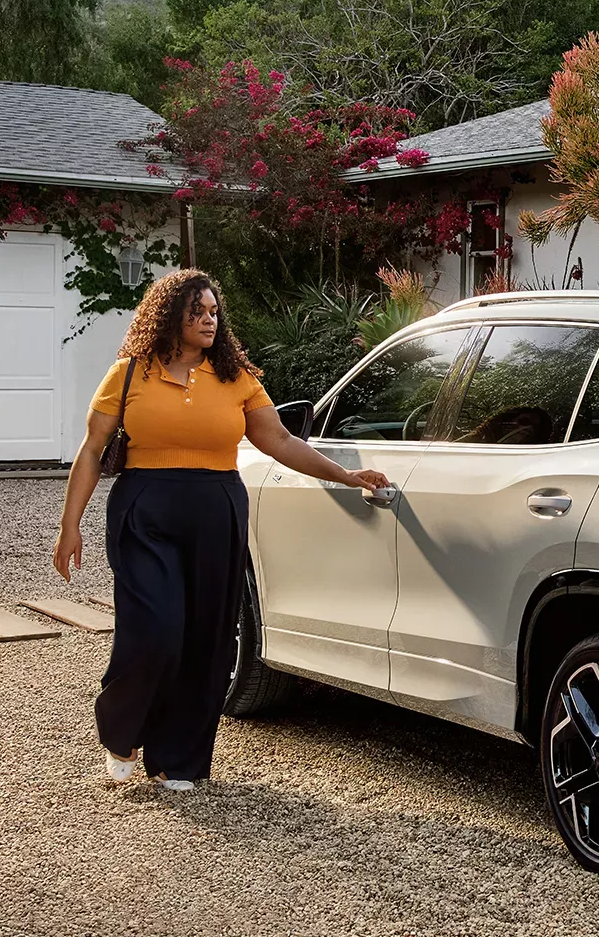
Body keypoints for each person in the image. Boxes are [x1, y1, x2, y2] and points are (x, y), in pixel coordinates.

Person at [52, 269, 389, 791]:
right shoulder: (128, 373)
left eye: (214, 312)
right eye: (198, 312)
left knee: (206, 637)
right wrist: (69, 524)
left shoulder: (237, 378)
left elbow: (280, 441)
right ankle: (122, 727)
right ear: (170, 316)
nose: (210, 320)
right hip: (145, 511)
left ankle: (179, 759)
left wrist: (345, 476)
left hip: (217, 510)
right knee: (155, 631)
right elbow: (93, 449)